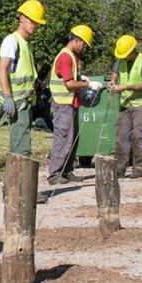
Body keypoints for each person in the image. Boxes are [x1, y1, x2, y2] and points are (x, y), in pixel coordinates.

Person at [46, 25, 102, 185]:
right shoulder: (65, 57)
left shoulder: (71, 56)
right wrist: (88, 85)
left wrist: (82, 78)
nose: (85, 48)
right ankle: (54, 174)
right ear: (76, 40)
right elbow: (69, 84)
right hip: (62, 104)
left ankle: (67, 170)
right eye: (84, 44)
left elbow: (71, 78)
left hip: (70, 104)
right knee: (63, 139)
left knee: (72, 139)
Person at [0, 0, 47, 156]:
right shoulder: (12, 41)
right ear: (22, 18)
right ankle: (20, 178)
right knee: (21, 146)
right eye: (32, 20)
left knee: (21, 139)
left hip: (24, 100)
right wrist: (8, 97)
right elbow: (2, 69)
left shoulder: (25, 44)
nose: (35, 25)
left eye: (37, 22)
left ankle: (18, 177)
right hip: (16, 101)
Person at [108, 34, 142, 178]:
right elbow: (115, 72)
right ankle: (119, 169)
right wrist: (113, 81)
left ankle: (139, 168)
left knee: (138, 136)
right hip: (126, 104)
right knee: (121, 136)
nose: (122, 57)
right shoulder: (121, 59)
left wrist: (125, 87)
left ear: (132, 51)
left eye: (125, 55)